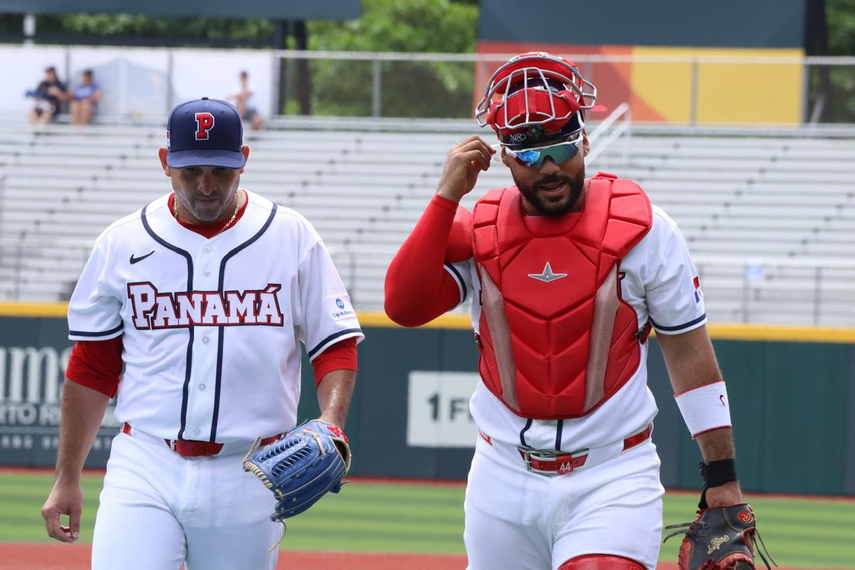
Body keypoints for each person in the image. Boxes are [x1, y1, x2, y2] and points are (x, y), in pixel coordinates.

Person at [384, 52, 752, 570]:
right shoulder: (478, 231)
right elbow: (402, 305)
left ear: (583, 139)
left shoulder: (646, 231)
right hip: (501, 475)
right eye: (529, 154)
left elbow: (690, 358)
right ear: (505, 157)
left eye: (560, 144)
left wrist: (723, 480)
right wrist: (447, 196)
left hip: (611, 474)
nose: (549, 166)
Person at [40, 97, 363, 570]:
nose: (207, 185)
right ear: (166, 163)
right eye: (192, 170)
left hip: (252, 469)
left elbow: (334, 343)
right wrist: (67, 475)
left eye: (221, 170)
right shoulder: (123, 241)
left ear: (244, 161)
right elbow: (93, 365)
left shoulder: (290, 235)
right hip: (146, 460)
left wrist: (331, 419)